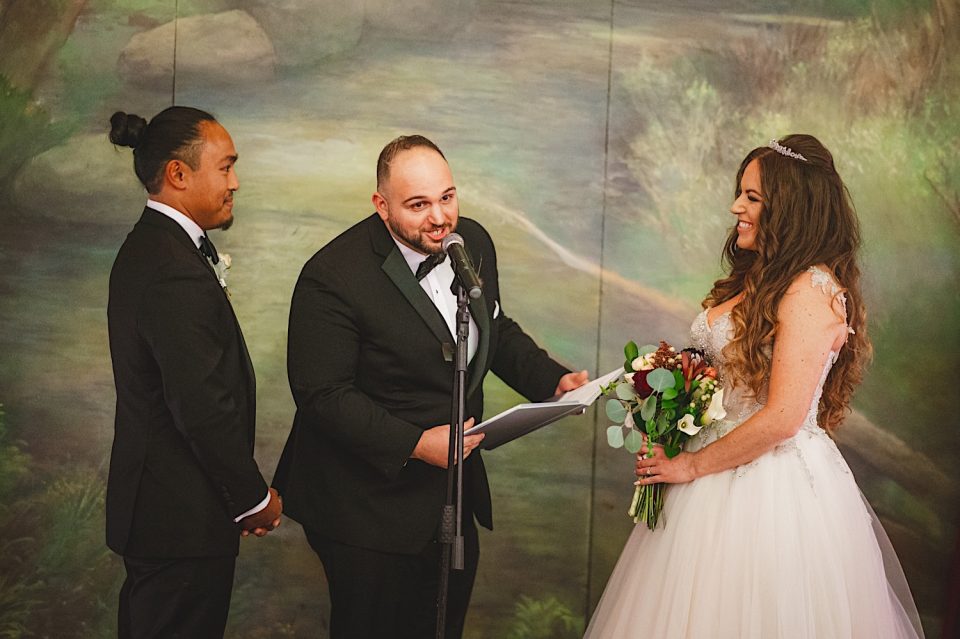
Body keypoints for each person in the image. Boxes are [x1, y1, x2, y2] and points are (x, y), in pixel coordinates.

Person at [585, 135, 924, 638]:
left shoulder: (810, 290)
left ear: (790, 208)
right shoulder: (756, 278)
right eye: (740, 194)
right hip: (708, 474)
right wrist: (671, 398)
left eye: (752, 197)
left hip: (770, 491)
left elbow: (784, 416)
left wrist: (692, 465)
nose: (736, 207)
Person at [273, 134, 588, 639]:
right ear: (382, 205)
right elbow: (321, 395)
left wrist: (552, 379)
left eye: (447, 197)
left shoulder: (472, 244)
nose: (440, 218)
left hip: (451, 497)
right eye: (418, 205)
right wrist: (416, 444)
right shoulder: (331, 276)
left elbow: (495, 327)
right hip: (363, 506)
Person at [106, 106, 281, 638]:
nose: (236, 182)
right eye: (225, 167)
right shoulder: (170, 269)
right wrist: (252, 498)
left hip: (167, 517)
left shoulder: (159, 249)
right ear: (178, 175)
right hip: (177, 522)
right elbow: (202, 406)